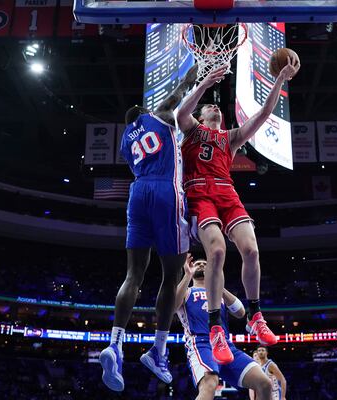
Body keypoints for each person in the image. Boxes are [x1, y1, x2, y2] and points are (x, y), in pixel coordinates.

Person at [177, 58, 300, 364]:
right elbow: (180, 113)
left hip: (226, 191)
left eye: (217, 109)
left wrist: (280, 79)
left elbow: (265, 114)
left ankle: (255, 315)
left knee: (252, 251)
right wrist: (204, 84)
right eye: (210, 108)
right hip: (199, 192)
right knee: (217, 252)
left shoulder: (230, 138)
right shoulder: (192, 131)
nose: (215, 110)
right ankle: (217, 326)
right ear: (202, 115)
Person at [99, 64, 198, 392]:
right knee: (171, 277)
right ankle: (157, 351)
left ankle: (114, 343)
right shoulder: (159, 117)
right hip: (165, 192)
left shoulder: (126, 142)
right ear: (143, 112)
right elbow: (177, 96)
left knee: (133, 275)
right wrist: (190, 78)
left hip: (137, 192)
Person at [175, 256, 273, 400]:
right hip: (201, 344)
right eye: (197, 264)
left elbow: (240, 312)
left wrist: (218, 284)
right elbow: (171, 307)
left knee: (265, 383)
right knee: (210, 384)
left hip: (226, 345)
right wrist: (187, 275)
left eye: (205, 264)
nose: (201, 265)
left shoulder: (218, 294)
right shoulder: (187, 291)